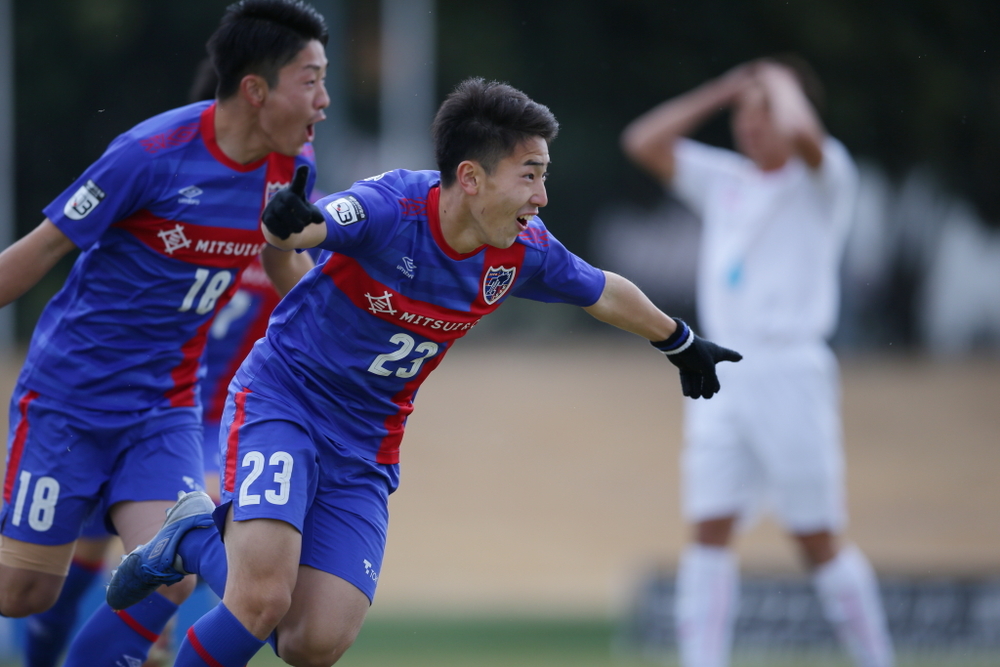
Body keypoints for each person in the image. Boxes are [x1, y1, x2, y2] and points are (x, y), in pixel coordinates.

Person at [103, 77, 743, 667]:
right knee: (261, 599)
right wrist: (292, 225)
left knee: (312, 644)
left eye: (543, 177)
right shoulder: (393, 208)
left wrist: (679, 341)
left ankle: (192, 538)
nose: (541, 197)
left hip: (366, 445)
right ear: (471, 177)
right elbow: (325, 221)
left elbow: (603, 291)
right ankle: (199, 546)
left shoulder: (523, 250)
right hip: (285, 402)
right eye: (529, 175)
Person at [0, 2, 328, 666]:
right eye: (311, 80)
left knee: (168, 573)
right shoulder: (148, 155)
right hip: (68, 400)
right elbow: (38, 252)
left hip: (164, 405)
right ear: (256, 89)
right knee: (22, 592)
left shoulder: (290, 168)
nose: (324, 99)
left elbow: (282, 270)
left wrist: (334, 307)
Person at [621, 58, 894, 667]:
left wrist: (780, 80)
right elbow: (643, 142)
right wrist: (723, 89)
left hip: (791, 370)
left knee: (815, 537)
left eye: (763, 112)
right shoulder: (727, 179)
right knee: (708, 527)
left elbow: (804, 136)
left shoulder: (825, 178)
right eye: (743, 115)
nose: (750, 125)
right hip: (721, 365)